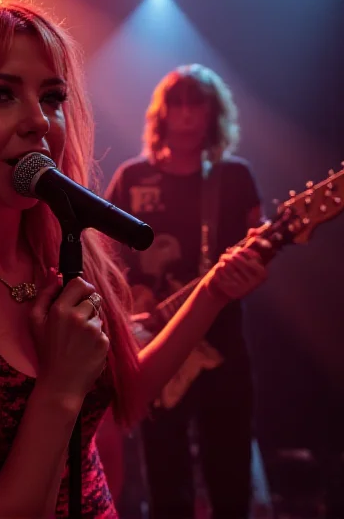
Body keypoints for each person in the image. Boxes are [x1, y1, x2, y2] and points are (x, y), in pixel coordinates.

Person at [0, 0, 268, 518]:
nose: (40, 122)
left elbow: (127, 394)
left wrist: (212, 293)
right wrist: (60, 387)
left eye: (51, 97)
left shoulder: (64, 261)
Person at [101, 64, 264, 518]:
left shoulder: (234, 178)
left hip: (221, 347)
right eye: (179, 103)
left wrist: (257, 266)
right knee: (165, 478)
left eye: (198, 104)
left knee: (230, 477)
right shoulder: (133, 179)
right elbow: (100, 257)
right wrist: (128, 308)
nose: (188, 114)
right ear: (163, 113)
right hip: (151, 344)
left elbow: (259, 248)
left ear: (214, 114)